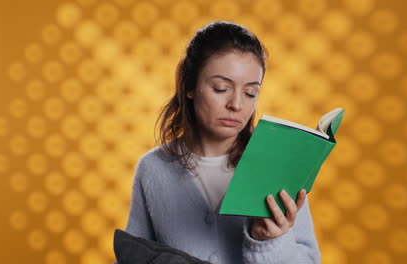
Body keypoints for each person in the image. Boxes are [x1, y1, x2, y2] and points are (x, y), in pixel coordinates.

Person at [123, 21, 321, 264]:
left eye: (250, 93)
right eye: (221, 88)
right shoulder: (152, 169)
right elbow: (133, 255)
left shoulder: (276, 168)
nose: (237, 105)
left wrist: (269, 242)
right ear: (190, 87)